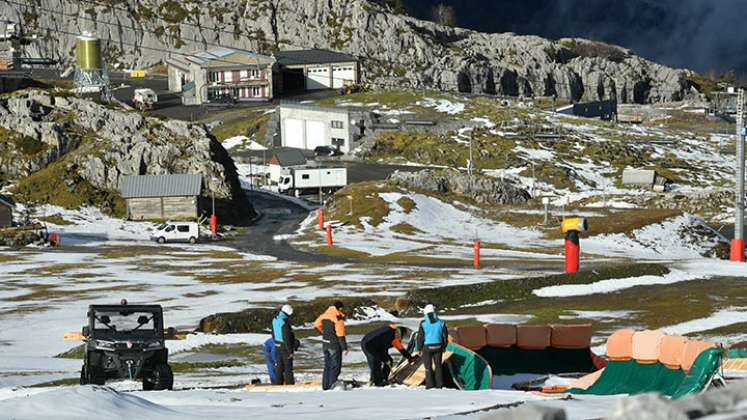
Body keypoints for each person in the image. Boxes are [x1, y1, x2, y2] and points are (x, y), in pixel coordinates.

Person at [314, 300, 347, 390]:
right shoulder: (338, 319)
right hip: (334, 345)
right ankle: (332, 386)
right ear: (339, 308)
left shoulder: (324, 315)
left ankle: (325, 386)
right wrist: (344, 348)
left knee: (327, 366)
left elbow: (316, 325)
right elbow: (340, 335)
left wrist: (324, 333)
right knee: (335, 367)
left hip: (325, 344)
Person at [417, 304, 448, 389]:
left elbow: (420, 337)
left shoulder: (423, 323)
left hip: (427, 347)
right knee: (438, 366)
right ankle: (439, 385)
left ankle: (430, 385)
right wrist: (444, 346)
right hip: (439, 346)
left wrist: (419, 348)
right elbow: (445, 336)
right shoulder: (441, 323)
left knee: (428, 367)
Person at [272, 304, 296, 385]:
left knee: (279, 366)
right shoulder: (284, 321)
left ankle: (278, 383)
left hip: (277, 344)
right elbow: (286, 337)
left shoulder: (275, 319)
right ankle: (290, 384)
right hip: (284, 346)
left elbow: (273, 333)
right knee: (288, 367)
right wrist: (290, 351)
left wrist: (275, 342)